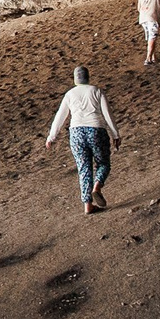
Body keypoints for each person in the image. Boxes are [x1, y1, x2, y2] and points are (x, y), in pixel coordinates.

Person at [42, 64, 122, 213]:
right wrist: (115, 135)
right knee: (103, 163)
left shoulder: (70, 94)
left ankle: (88, 205)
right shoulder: (97, 91)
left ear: (75, 79)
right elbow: (107, 114)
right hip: (96, 130)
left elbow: (60, 116)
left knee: (83, 168)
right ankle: (97, 186)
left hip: (76, 133)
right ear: (88, 77)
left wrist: (51, 137)